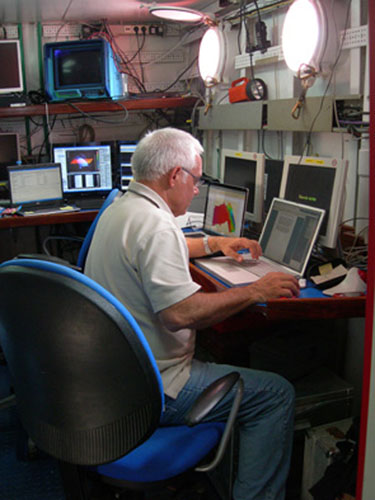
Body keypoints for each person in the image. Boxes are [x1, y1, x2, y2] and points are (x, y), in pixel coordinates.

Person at [85, 127, 299, 500]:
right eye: (196, 179)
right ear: (174, 176)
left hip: (111, 376)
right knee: (276, 393)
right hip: (155, 386)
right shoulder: (155, 224)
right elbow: (180, 314)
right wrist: (256, 290)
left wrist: (216, 243)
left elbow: (159, 249)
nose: (197, 189)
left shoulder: (124, 207)